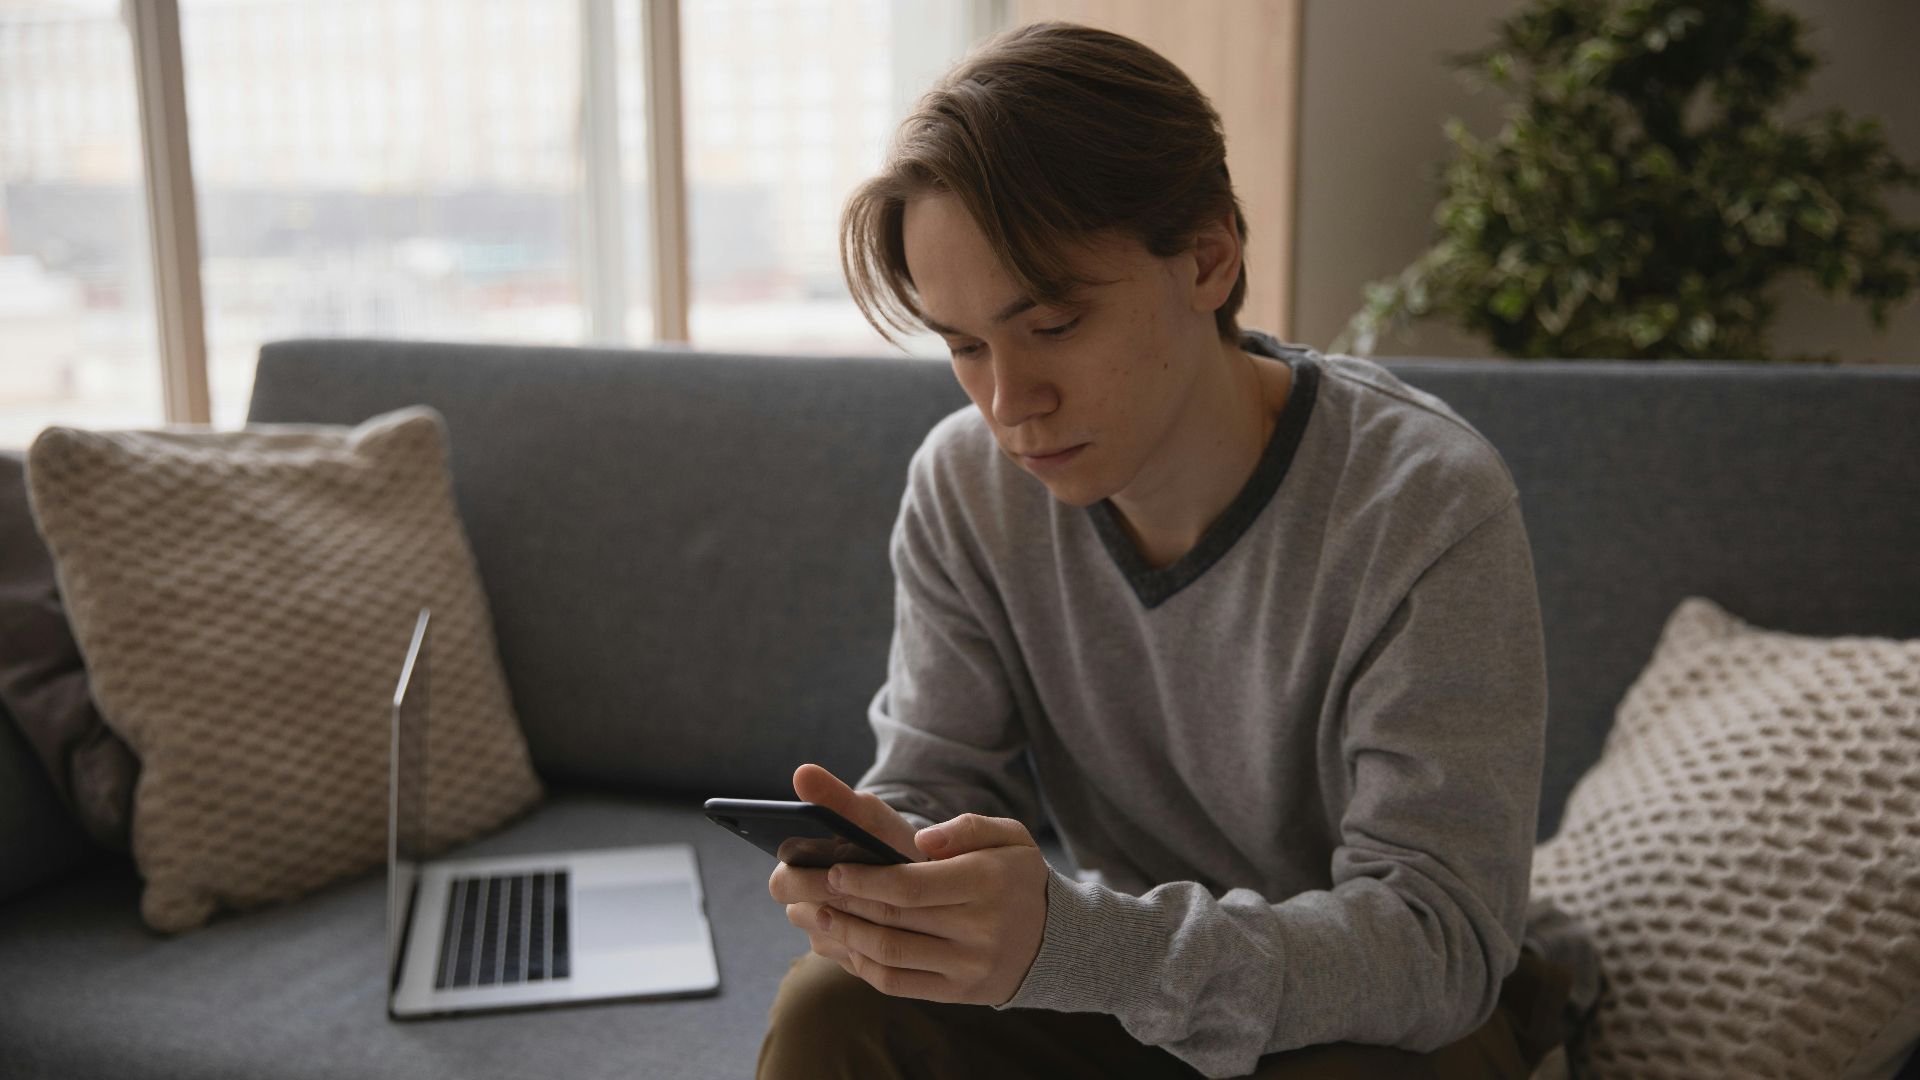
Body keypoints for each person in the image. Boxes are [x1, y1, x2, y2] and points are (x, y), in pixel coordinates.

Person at [759, 20, 1584, 1080]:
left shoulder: (1421, 503)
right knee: (837, 1008)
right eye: (965, 346)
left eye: (1052, 324)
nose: (1010, 403)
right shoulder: (967, 485)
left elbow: (1438, 945)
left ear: (1206, 259)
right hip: (1135, 989)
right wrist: (886, 892)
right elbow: (933, 782)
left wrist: (1086, 946)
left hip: (1384, 1009)